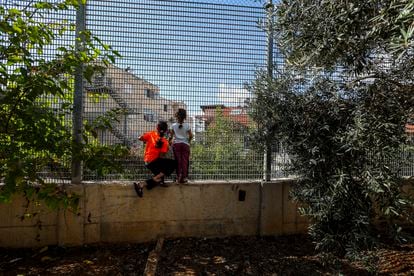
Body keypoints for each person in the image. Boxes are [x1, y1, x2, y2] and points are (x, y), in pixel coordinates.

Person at [133, 121, 176, 197]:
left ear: (157, 128)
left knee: (158, 179)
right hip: (154, 162)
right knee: (173, 164)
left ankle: (142, 186)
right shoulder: (165, 142)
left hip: (147, 161)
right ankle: (146, 182)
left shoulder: (151, 134)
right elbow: (162, 156)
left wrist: (144, 138)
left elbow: (140, 138)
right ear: (166, 131)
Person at [169, 108, 193, 184]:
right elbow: (191, 136)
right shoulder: (187, 125)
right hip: (185, 145)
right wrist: (188, 141)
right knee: (185, 161)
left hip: (176, 145)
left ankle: (178, 177)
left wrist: (169, 142)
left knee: (178, 161)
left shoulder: (173, 126)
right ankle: (184, 178)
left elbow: (171, 136)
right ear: (184, 116)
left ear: (176, 116)